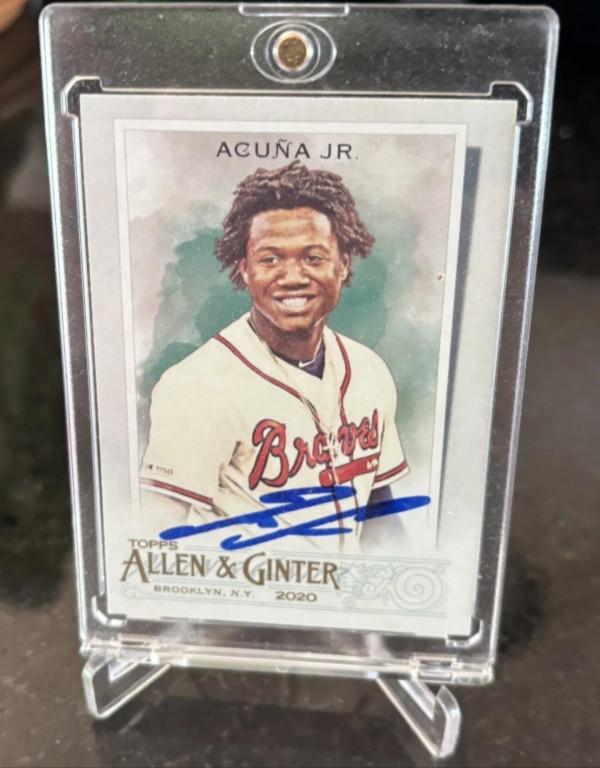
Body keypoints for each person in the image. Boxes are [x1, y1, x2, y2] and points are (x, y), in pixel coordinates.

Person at [140, 161, 409, 550]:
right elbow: (154, 539)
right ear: (244, 269)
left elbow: (380, 517)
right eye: (270, 259)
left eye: (313, 257)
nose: (293, 277)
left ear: (343, 264)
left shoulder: (369, 370)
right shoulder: (195, 385)